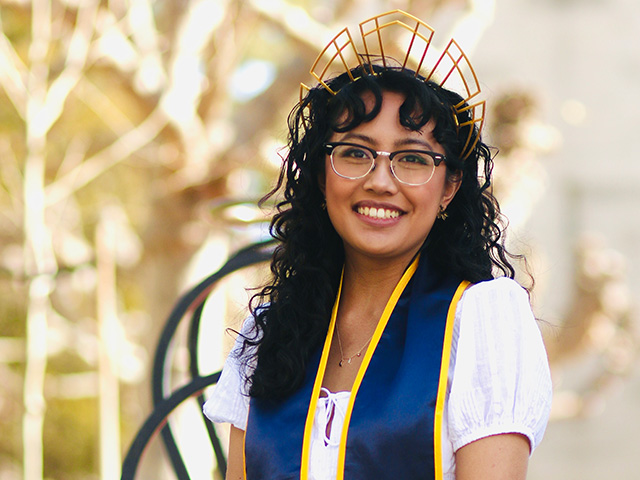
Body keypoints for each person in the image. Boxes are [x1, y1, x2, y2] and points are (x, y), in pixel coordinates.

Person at [204, 10, 552, 480]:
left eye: (412, 159)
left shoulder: (479, 321)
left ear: (449, 187)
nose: (380, 182)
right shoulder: (271, 333)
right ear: (321, 175)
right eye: (355, 153)